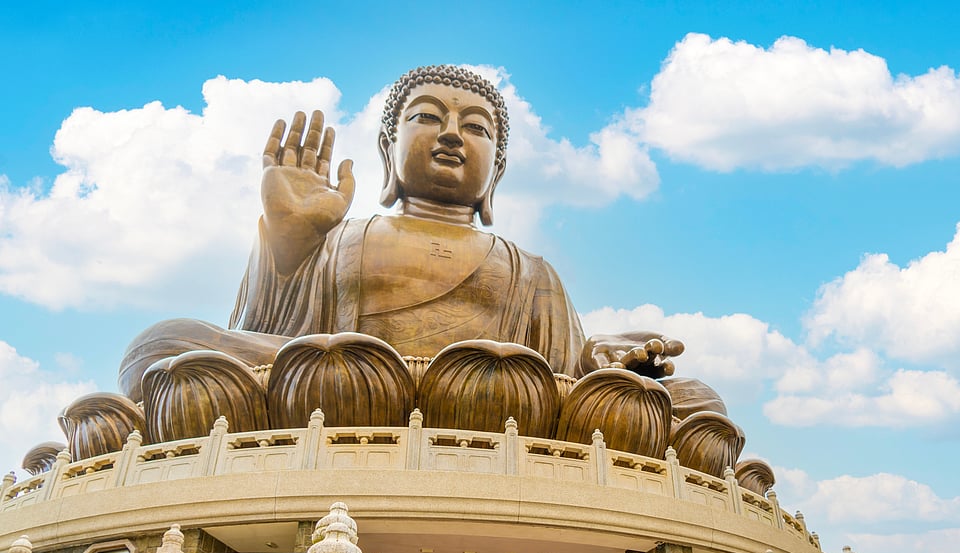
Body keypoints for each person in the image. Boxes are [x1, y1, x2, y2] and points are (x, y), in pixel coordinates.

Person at [118, 65, 685, 404]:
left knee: (688, 400)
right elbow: (274, 340)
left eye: (476, 128)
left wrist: (602, 362)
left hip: (491, 395)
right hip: (342, 384)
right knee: (162, 347)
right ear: (388, 152)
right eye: (427, 117)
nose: (452, 135)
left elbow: (560, 369)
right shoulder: (345, 237)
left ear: (499, 170)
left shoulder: (527, 268)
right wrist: (292, 244)